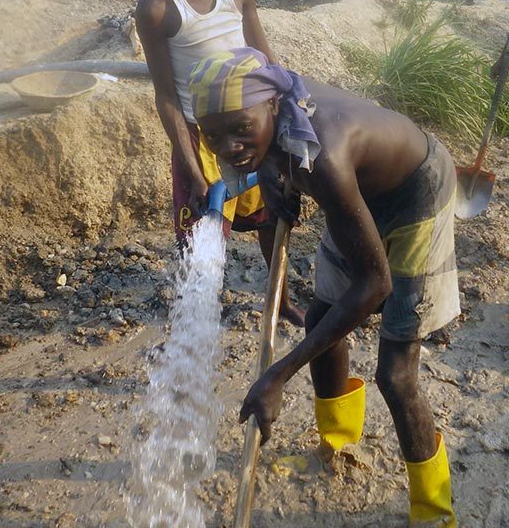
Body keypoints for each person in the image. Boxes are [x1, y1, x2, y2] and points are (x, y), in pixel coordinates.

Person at [188, 47, 460, 525]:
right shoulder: (279, 108)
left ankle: (434, 510)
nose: (228, 146)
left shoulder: (324, 159)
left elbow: (375, 284)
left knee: (396, 376)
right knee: (321, 319)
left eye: (240, 128)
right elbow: (269, 148)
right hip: (355, 195)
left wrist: (279, 374)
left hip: (418, 190)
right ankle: (337, 445)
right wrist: (270, 167)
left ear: (271, 106)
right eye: (212, 135)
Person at [134, 0, 304, 325]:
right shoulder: (157, 9)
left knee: (269, 217)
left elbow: (264, 58)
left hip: (250, 128)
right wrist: (192, 168)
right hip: (202, 135)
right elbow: (167, 96)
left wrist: (286, 116)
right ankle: (196, 318)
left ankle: (280, 302)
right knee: (200, 234)